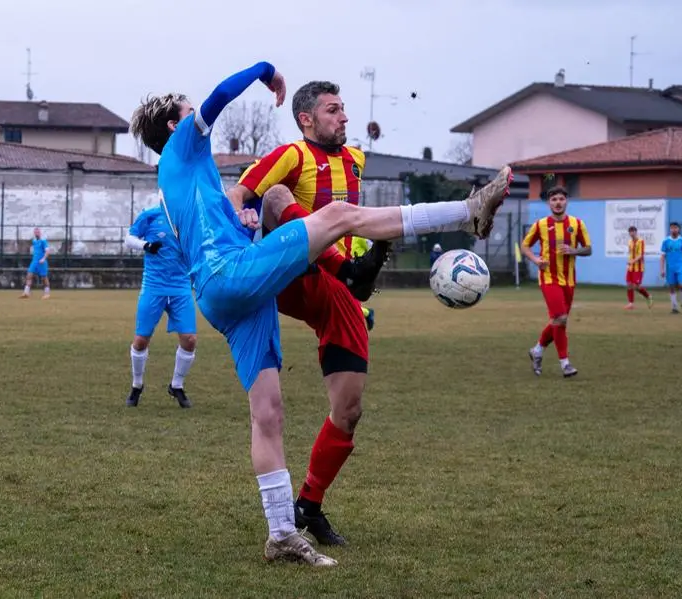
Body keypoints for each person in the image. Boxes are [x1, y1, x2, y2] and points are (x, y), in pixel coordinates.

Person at [130, 60, 511, 566]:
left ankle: (282, 532)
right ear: (177, 126)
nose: (198, 115)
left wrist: (247, 218)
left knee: (268, 413)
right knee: (333, 216)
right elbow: (222, 95)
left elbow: (223, 220)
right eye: (189, 113)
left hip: (228, 292)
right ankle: (467, 212)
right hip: (230, 274)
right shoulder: (181, 149)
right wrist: (267, 72)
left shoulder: (188, 180)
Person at [227, 79, 510, 547]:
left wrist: (366, 263)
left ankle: (309, 506)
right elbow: (243, 193)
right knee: (278, 196)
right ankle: (463, 211)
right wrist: (242, 215)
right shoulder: (290, 155)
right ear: (306, 119)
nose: (344, 118)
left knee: (349, 408)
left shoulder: (356, 160)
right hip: (286, 273)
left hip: (334, 286)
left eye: (344, 110)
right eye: (334, 110)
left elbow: (356, 223)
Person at [123, 205, 197, 409]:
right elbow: (129, 238)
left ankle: (177, 385)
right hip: (153, 286)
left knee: (190, 340)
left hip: (181, 287)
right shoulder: (151, 215)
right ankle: (137, 385)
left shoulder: (188, 215)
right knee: (140, 341)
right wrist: (146, 245)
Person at [521, 186, 591, 378]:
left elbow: (588, 249)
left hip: (569, 280)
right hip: (548, 278)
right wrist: (536, 261)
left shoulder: (577, 224)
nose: (558, 202)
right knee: (560, 317)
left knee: (559, 322)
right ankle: (565, 364)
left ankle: (537, 350)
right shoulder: (540, 224)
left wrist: (573, 250)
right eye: (554, 200)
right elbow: (525, 245)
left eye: (561, 199)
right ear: (549, 203)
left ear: (566, 201)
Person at [659, 222, 682, 314]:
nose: (673, 229)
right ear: (670, 229)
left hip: (680, 266)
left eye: (675, 228)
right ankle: (674, 307)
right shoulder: (666, 241)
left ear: (679, 229)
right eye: (672, 228)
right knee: (671, 287)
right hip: (670, 267)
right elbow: (662, 256)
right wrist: (662, 269)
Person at [624, 225, 653, 310]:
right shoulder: (629, 242)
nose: (631, 233)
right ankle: (630, 304)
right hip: (630, 267)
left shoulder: (641, 241)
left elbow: (641, 255)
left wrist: (633, 261)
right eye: (630, 232)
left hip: (638, 268)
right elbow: (630, 253)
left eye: (633, 231)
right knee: (629, 285)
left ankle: (648, 296)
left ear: (636, 232)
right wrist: (629, 263)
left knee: (636, 286)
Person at [19, 227, 50, 299]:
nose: (36, 233)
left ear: (40, 233)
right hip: (34, 262)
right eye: (35, 232)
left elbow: (47, 251)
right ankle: (26, 293)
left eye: (38, 232)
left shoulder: (43, 241)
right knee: (29, 275)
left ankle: (47, 293)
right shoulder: (34, 241)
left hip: (42, 262)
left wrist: (43, 259)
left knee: (44, 278)